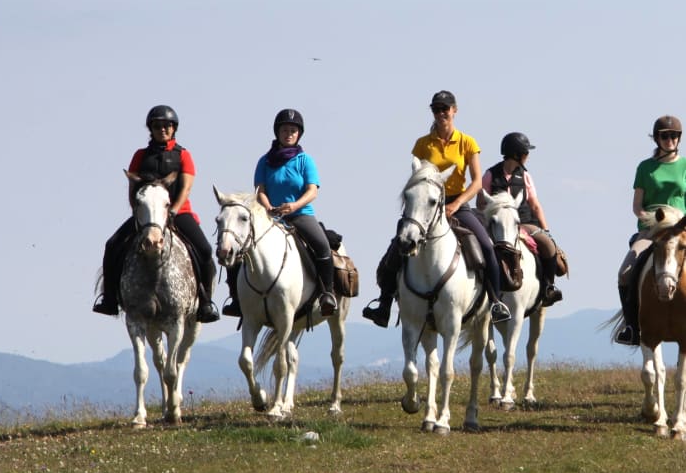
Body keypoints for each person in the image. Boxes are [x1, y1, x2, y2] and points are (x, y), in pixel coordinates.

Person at [362, 90, 512, 328]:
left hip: (457, 203)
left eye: (445, 108)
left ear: (455, 110)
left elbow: (475, 183)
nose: (441, 113)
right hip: (426, 205)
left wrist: (456, 203)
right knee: (396, 247)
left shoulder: (467, 142)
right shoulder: (422, 144)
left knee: (486, 247)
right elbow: (417, 179)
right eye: (436, 109)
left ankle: (495, 302)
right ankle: (385, 303)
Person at [93, 105, 220, 323]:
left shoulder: (183, 155)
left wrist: (173, 210)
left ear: (174, 129)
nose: (162, 129)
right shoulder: (140, 156)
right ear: (151, 129)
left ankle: (205, 302)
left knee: (205, 250)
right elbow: (133, 188)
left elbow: (186, 188)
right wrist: (138, 213)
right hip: (147, 216)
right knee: (112, 245)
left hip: (177, 212)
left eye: (167, 126)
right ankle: (110, 299)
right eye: (157, 126)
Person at [221, 108, 338, 318]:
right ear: (277, 132)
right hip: (269, 217)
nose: (289, 133)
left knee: (322, 245)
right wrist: (268, 208)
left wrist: (294, 206)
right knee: (239, 246)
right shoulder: (264, 161)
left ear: (299, 134)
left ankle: (327, 293)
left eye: (293, 130)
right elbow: (260, 191)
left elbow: (312, 191)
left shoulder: (305, 161)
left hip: (301, 214)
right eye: (285, 129)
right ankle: (237, 298)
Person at [615, 114, 686, 345]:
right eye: (665, 136)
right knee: (625, 274)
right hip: (652, 230)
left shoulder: (685, 166)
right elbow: (637, 206)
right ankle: (632, 327)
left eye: (674, 136)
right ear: (657, 139)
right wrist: (650, 220)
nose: (670, 140)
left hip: (681, 228)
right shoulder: (645, 168)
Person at [479, 132, 563, 307]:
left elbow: (535, 205)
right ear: (517, 154)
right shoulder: (490, 175)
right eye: (526, 152)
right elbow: (480, 203)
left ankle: (548, 286)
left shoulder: (525, 176)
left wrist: (546, 230)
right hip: (498, 225)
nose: (528, 156)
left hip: (524, 222)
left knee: (548, 246)